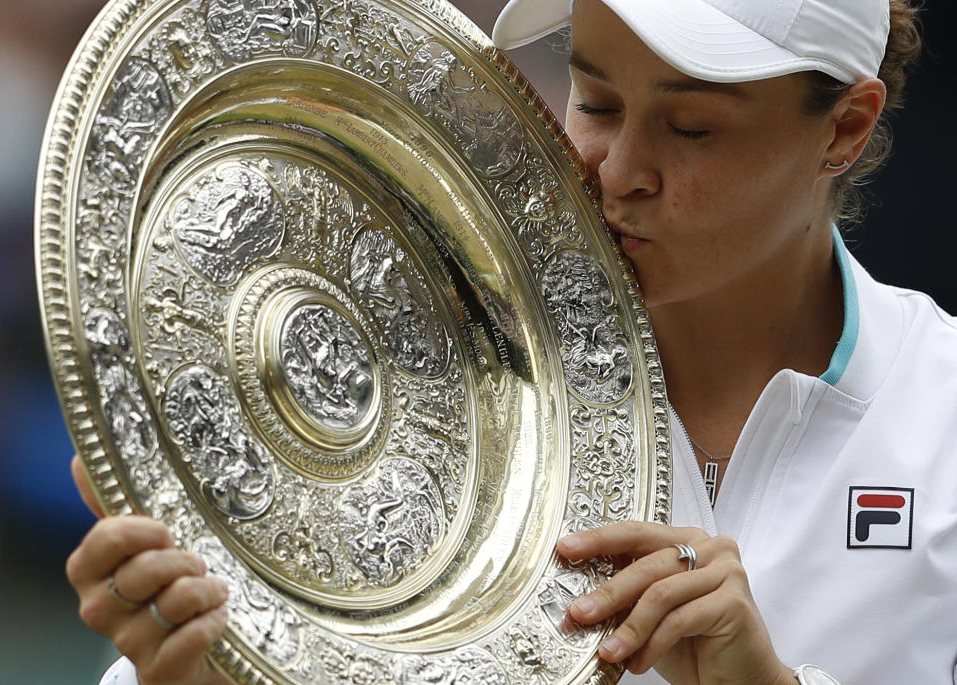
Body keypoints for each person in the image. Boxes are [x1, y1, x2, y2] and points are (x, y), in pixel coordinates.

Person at [66, 1, 956, 684]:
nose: (617, 170)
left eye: (692, 129)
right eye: (597, 101)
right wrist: (191, 668)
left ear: (845, 126)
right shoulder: (418, 391)